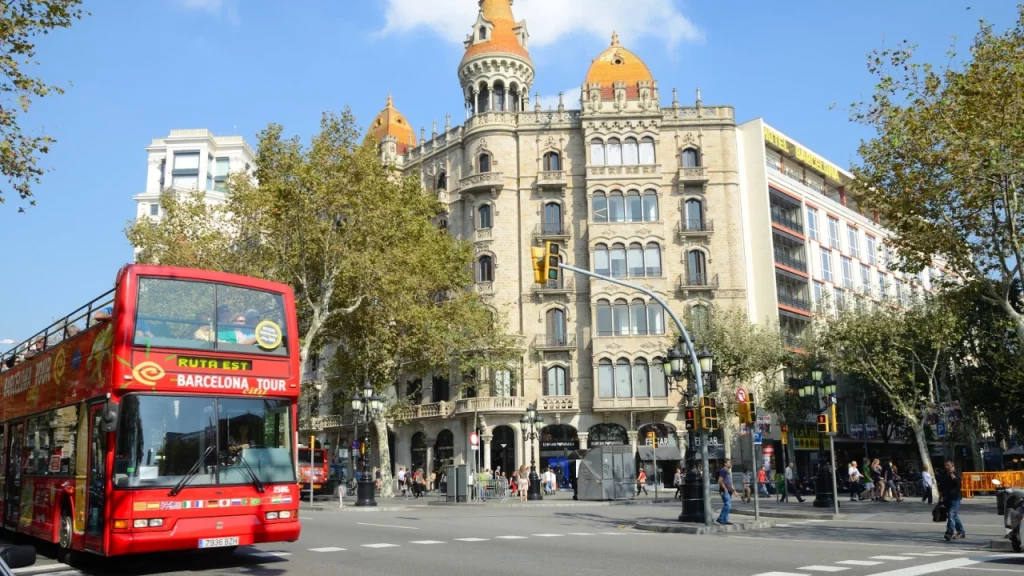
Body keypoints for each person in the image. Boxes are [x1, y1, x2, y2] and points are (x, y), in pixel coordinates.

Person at [938, 459, 965, 540]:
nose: (947, 467)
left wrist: (951, 473)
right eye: (945, 465)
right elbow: (941, 488)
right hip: (946, 498)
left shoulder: (956, 474)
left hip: (955, 498)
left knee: (951, 514)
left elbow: (958, 484)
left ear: (952, 465)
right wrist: (940, 499)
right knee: (954, 516)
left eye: (948, 465)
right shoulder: (943, 475)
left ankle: (949, 532)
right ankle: (961, 532)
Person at [717, 459, 736, 525]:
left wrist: (735, 491)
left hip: (729, 491)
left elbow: (730, 483)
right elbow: (720, 481)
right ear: (725, 464)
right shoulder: (723, 471)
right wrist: (725, 489)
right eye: (729, 462)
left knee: (727, 505)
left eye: (731, 462)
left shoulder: (727, 471)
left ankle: (723, 519)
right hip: (725, 491)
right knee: (727, 505)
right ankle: (722, 519)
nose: (731, 464)